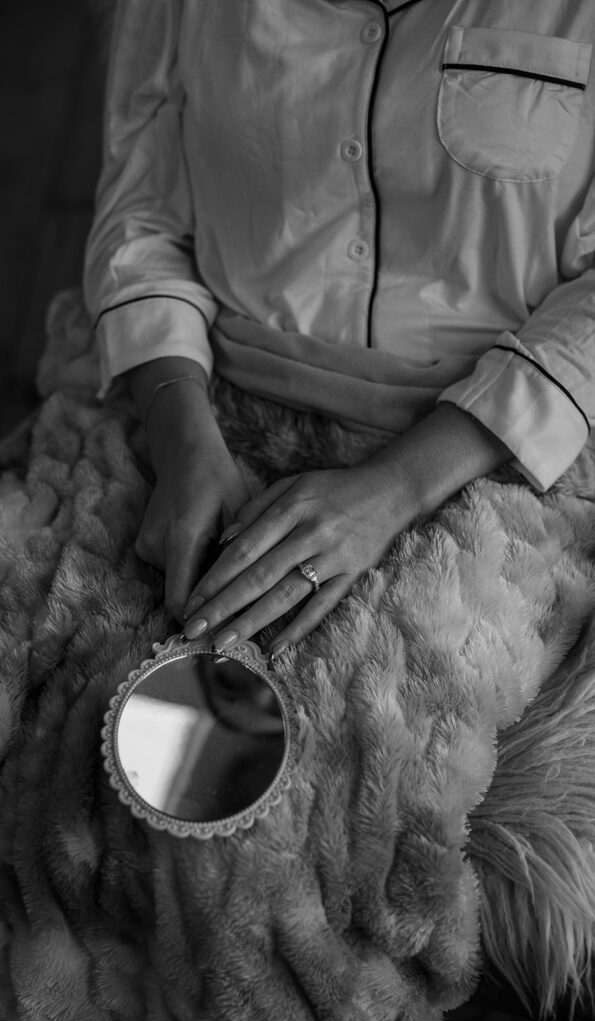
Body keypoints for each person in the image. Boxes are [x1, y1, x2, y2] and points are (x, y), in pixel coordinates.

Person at [84, 0, 594, 661]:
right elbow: (141, 212)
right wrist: (180, 439)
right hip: (209, 391)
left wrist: (398, 486)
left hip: (507, 436)